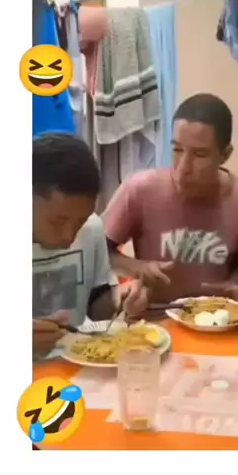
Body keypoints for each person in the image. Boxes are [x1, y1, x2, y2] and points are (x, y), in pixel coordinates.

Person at [102, 94, 238, 300]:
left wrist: (234, 286)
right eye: (177, 149)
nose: (183, 167)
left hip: (216, 315)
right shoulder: (140, 190)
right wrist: (138, 268)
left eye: (199, 154)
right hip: (153, 316)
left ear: (225, 155)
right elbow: (99, 251)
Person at [33, 133, 149, 358]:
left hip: (77, 366)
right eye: (57, 221)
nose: (69, 236)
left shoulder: (92, 228)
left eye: (80, 221)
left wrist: (120, 298)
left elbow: (98, 312)